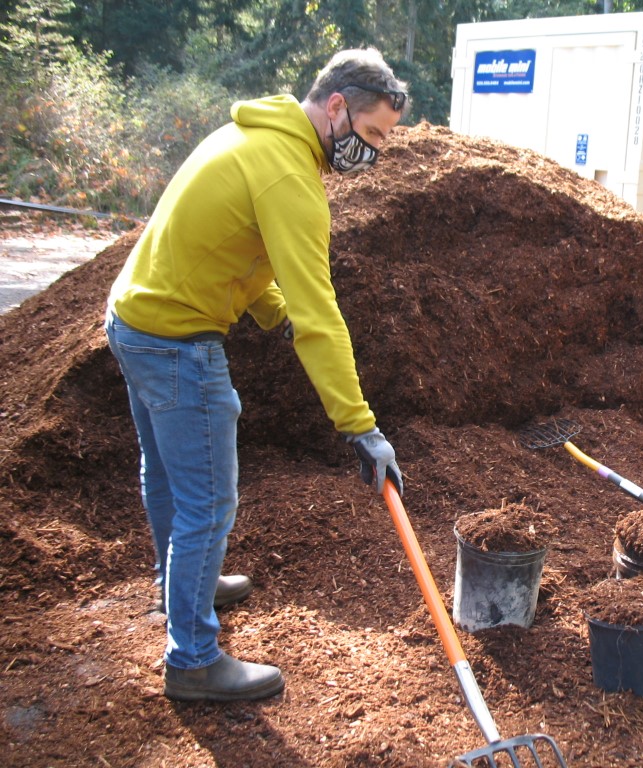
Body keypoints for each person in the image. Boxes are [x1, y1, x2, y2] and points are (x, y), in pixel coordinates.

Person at [105, 47, 408, 702]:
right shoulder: (290, 178)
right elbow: (319, 313)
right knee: (209, 501)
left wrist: (276, 316)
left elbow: (237, 252)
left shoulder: (254, 135)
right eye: (373, 134)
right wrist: (360, 426)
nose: (374, 152)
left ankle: (182, 584)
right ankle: (193, 658)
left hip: (133, 318)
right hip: (177, 341)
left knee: (167, 475)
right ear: (336, 109)